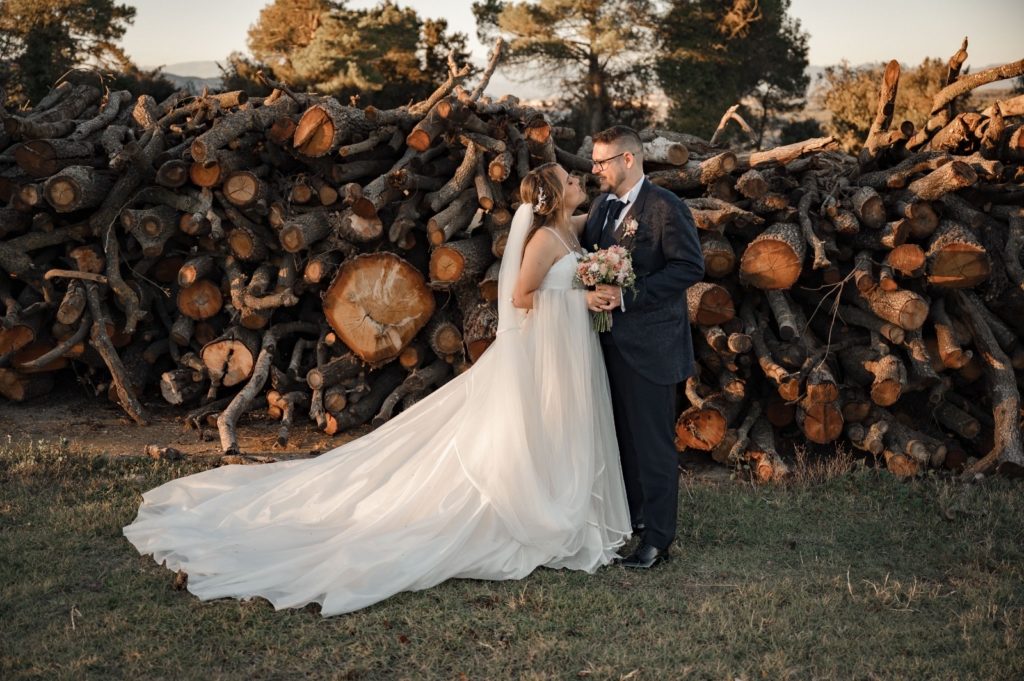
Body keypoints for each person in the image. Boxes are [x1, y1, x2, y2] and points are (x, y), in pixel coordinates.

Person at [123, 163, 631, 616]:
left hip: (565, 350)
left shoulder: (569, 230)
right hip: (548, 345)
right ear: (550, 196)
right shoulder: (542, 241)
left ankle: (565, 497)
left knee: (557, 422)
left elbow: (591, 240)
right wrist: (580, 301)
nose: (577, 181)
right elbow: (521, 297)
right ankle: (538, 504)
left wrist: (600, 275)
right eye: (568, 179)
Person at [582, 126, 704, 569]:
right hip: (606, 344)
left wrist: (628, 295)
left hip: (652, 346)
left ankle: (658, 539)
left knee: (653, 445)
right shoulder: (600, 207)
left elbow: (690, 266)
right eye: (594, 162)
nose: (595, 170)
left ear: (628, 160)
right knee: (622, 442)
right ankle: (630, 521)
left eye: (601, 162)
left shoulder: (665, 208)